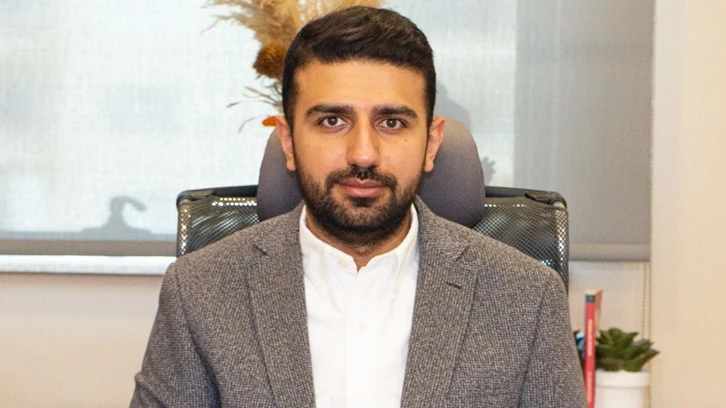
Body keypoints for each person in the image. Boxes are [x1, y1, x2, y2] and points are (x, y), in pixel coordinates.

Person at [131, 6, 585, 408]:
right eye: (332, 120)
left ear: (431, 143)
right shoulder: (199, 292)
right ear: (288, 141)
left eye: (392, 122)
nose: (363, 154)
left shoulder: (527, 297)